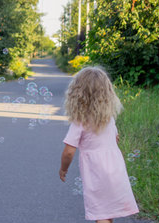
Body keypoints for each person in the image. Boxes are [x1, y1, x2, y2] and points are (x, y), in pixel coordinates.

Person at [59, 66, 139, 223]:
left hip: (96, 170)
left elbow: (69, 151)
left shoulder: (79, 121)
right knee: (107, 211)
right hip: (115, 167)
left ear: (77, 93)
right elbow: (115, 139)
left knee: (100, 214)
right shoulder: (109, 118)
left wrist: (63, 169)